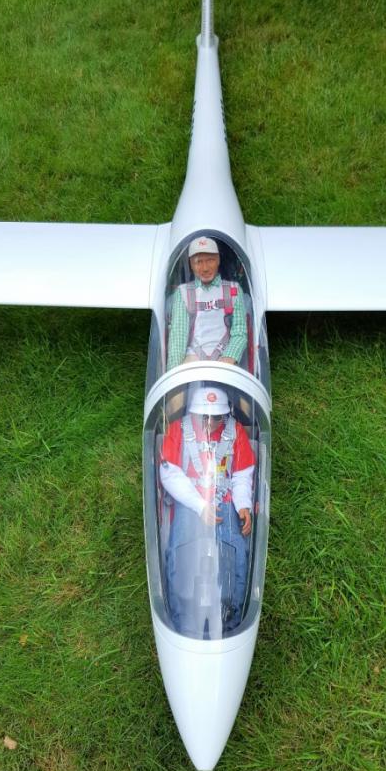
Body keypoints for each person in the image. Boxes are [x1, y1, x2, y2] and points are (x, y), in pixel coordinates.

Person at [160, 386, 255, 636]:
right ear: (194, 413)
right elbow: (170, 474)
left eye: (217, 417)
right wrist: (201, 506)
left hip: (224, 500)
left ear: (225, 414)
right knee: (180, 552)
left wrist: (243, 504)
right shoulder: (178, 430)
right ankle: (183, 623)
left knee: (236, 553)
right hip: (189, 501)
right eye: (205, 417)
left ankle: (230, 623)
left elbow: (242, 474)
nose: (211, 423)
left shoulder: (234, 431)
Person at [166, 236, 248, 371]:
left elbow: (240, 331)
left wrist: (229, 357)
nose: (205, 268)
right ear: (191, 264)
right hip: (193, 356)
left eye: (210, 260)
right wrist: (173, 372)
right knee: (181, 384)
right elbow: (178, 337)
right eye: (198, 262)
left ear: (218, 260)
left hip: (225, 355)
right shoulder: (183, 292)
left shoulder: (233, 289)